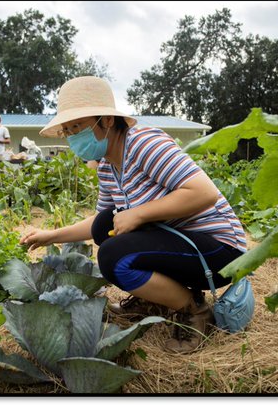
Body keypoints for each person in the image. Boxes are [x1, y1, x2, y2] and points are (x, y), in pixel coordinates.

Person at [19, 76, 247, 353]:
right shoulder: (107, 165)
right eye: (67, 130)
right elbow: (99, 223)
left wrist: (138, 214)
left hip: (220, 250)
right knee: (106, 225)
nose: (72, 136)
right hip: (181, 243)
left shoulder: (143, 143)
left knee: (114, 257)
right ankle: (156, 298)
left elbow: (204, 193)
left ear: (105, 121)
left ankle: (195, 311)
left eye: (77, 126)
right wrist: (50, 235)